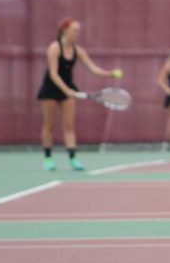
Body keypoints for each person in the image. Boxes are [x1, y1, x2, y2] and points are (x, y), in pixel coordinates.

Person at [36, 18, 119, 171]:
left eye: (78, 31)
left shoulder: (78, 50)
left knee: (69, 125)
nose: (77, 34)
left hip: (69, 90)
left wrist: (109, 73)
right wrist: (66, 90)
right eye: (75, 30)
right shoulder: (54, 48)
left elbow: (93, 68)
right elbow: (53, 74)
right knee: (49, 125)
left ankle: (73, 159)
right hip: (50, 90)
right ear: (64, 30)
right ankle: (48, 158)